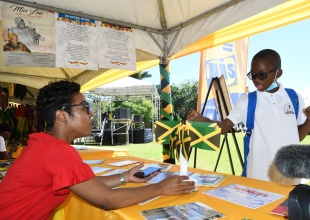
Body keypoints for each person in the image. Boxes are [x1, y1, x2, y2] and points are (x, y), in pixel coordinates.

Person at [0, 81, 195, 219]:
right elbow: (107, 199)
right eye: (84, 106)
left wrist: (125, 177)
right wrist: (161, 187)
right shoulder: (56, 151)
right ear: (61, 116)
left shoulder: (45, 144)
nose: (91, 112)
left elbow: (86, 184)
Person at [187, 49, 310, 184]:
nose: (256, 80)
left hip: (291, 179)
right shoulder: (247, 101)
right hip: (258, 179)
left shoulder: (294, 97)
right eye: (253, 75)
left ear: (278, 73)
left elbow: (297, 137)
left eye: (262, 75)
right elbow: (224, 127)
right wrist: (201, 119)